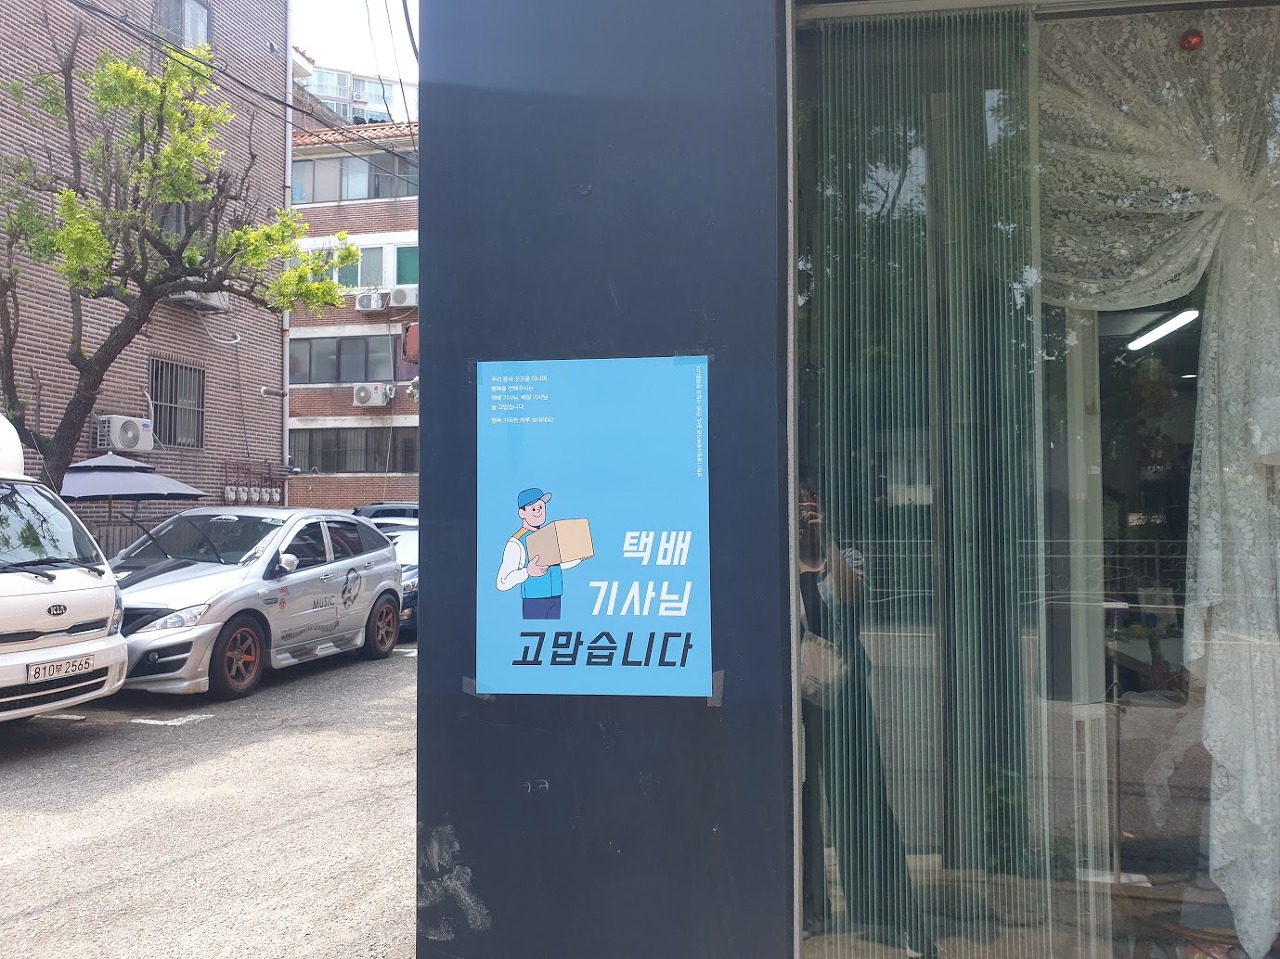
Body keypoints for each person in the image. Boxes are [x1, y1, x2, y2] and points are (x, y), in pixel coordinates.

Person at [798, 479, 934, 958]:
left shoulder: (845, 557)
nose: (805, 511)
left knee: (866, 802)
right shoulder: (776, 560)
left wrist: (826, 542)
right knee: (800, 806)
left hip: (843, 696)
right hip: (795, 704)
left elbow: (855, 598)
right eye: (798, 504)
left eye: (812, 502)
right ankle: (809, 909)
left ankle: (893, 913)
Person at [495, 487, 582, 619]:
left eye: (541, 507)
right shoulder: (516, 542)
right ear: (522, 513)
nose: (539, 511)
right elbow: (502, 582)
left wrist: (579, 557)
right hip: (534, 601)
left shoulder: (549, 536)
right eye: (534, 508)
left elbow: (559, 564)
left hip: (556, 599)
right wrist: (527, 572)